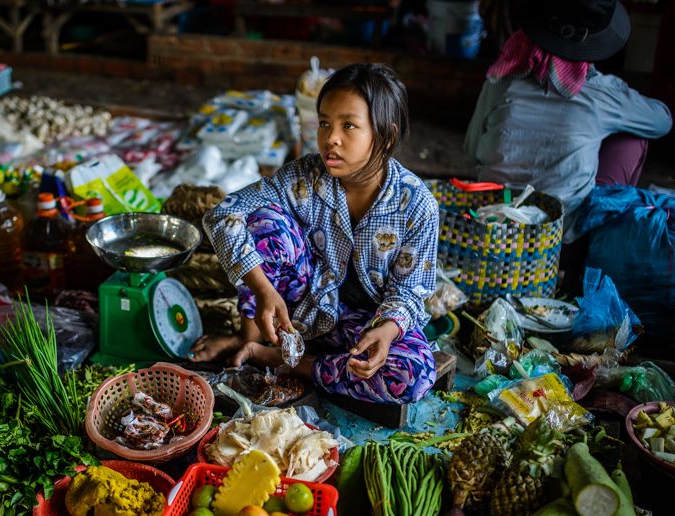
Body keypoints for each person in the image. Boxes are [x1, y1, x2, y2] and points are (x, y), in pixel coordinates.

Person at [191, 63, 439, 405]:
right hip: (302, 313)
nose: (330, 138)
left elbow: (409, 293)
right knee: (265, 223)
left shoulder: (417, 205)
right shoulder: (304, 176)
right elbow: (223, 214)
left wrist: (386, 330)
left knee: (412, 375)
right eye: (324, 123)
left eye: (349, 125)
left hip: (362, 328)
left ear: (386, 136)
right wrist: (264, 290)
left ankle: (283, 361)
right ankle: (251, 339)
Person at [464, 0, 671, 245]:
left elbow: (471, 150)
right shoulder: (601, 93)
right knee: (632, 138)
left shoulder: (502, 77)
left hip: (492, 220)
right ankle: (591, 250)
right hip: (561, 236)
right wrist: (618, 102)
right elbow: (663, 120)